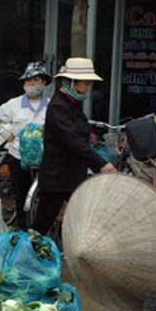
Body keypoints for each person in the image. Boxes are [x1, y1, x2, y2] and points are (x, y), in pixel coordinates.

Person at [32, 57, 116, 235]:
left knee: (81, 220)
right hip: (57, 178)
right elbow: (73, 142)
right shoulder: (58, 106)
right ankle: (26, 257)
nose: (87, 88)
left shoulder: (71, 104)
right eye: (85, 83)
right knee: (42, 225)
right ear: (71, 82)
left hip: (71, 176)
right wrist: (100, 163)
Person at [0, 61, 52, 229]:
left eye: (37, 80)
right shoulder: (14, 104)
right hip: (18, 155)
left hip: (44, 158)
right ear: (23, 83)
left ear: (44, 82)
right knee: (21, 196)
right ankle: (23, 230)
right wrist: (8, 135)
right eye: (29, 81)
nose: (33, 84)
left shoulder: (52, 105)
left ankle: (40, 231)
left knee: (45, 197)